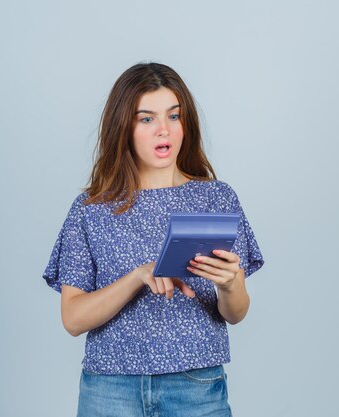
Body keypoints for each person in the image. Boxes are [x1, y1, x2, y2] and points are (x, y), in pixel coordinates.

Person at [42, 62, 264, 417]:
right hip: (110, 388)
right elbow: (72, 318)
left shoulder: (215, 199)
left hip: (195, 386)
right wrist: (137, 277)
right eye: (147, 119)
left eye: (174, 116)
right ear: (124, 128)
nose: (164, 130)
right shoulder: (91, 209)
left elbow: (235, 314)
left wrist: (230, 283)